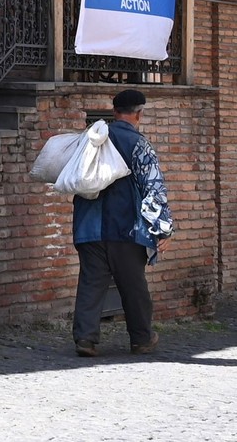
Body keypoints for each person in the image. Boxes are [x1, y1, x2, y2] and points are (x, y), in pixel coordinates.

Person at [72, 88, 173, 357]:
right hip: (125, 228)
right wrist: (162, 228)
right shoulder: (138, 144)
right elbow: (153, 187)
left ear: (114, 112)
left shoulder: (92, 139)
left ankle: (85, 339)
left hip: (88, 226)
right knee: (133, 286)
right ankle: (141, 339)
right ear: (139, 114)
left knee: (91, 284)